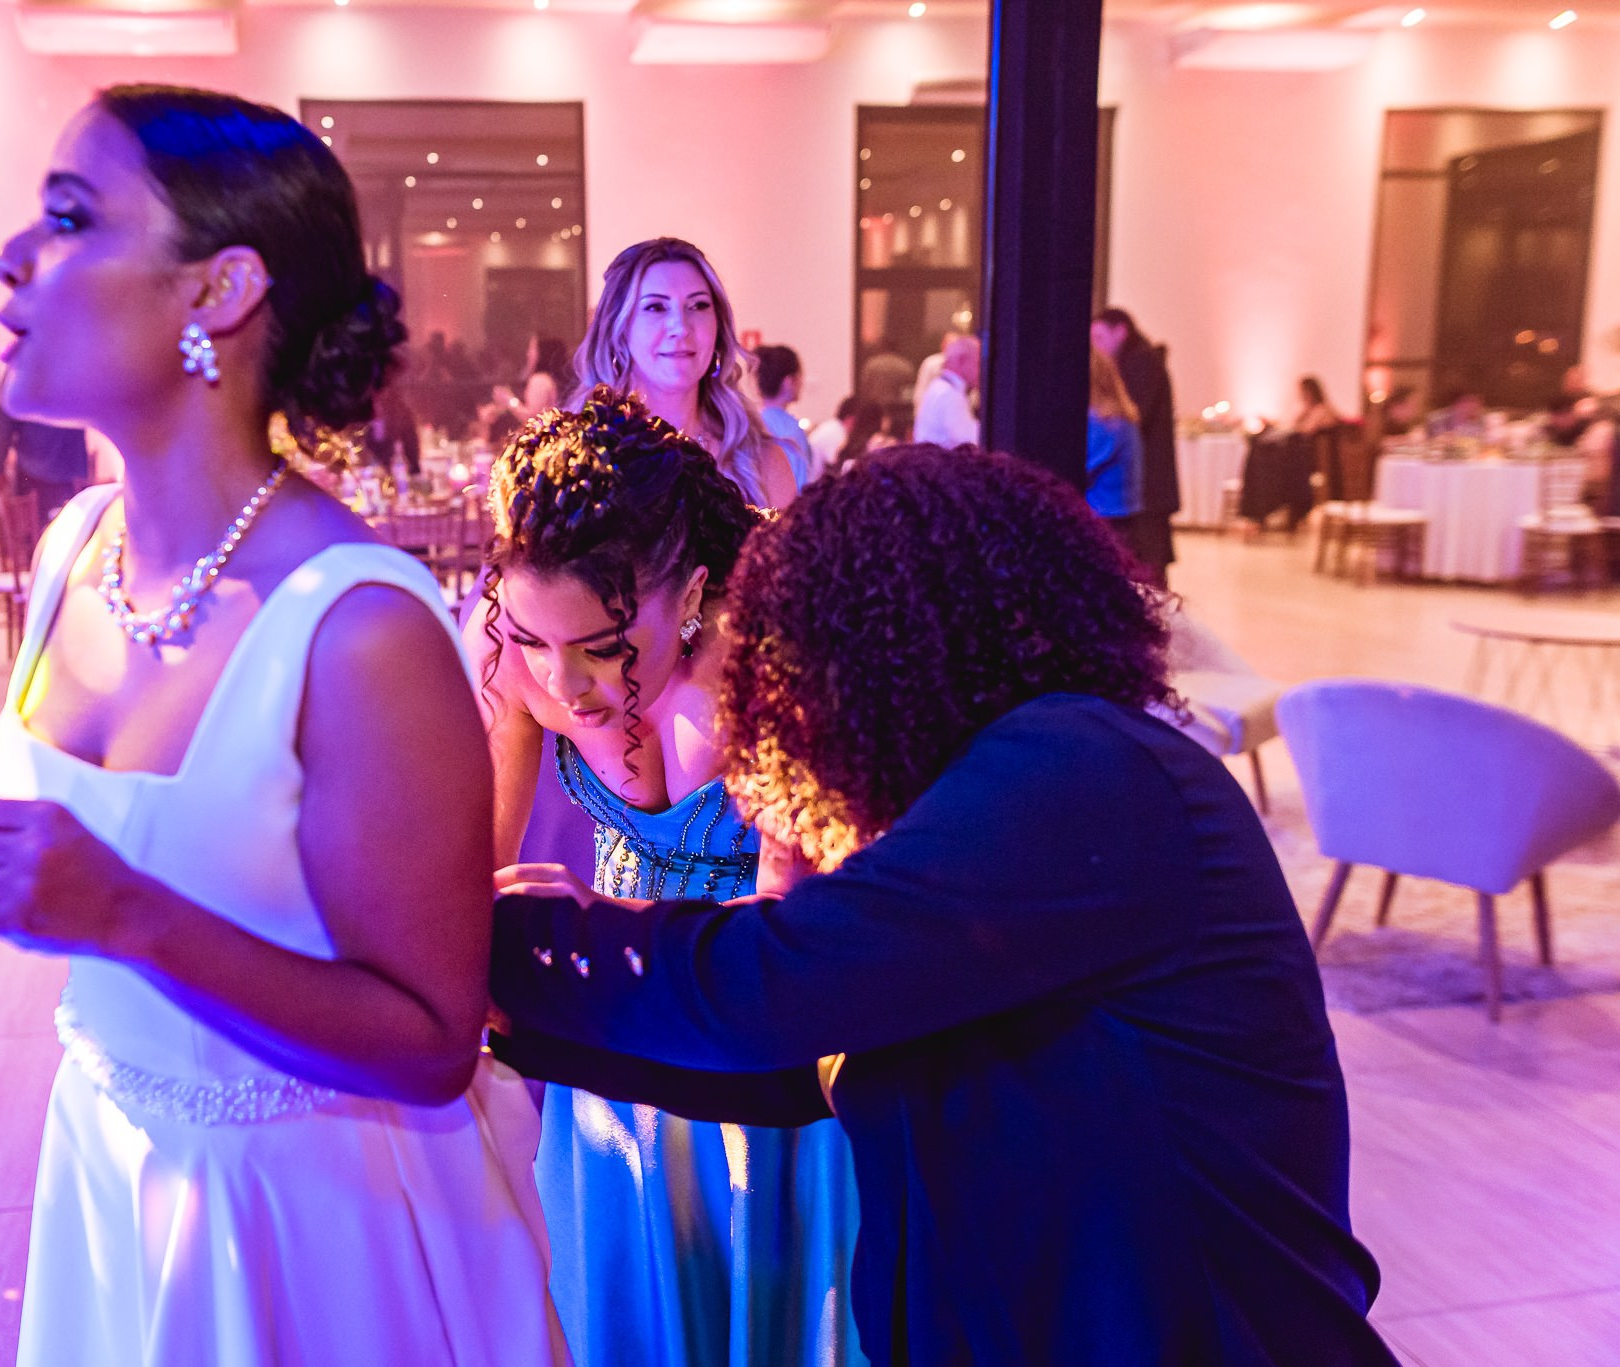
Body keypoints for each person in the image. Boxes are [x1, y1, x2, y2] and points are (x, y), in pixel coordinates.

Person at [0, 85, 562, 1367]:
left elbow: (433, 1042)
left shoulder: (357, 626)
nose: (9, 254)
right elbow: (54, 861)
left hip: (305, 1223)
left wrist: (128, 915)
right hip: (110, 1162)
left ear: (217, 292)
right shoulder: (75, 548)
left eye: (70, 214)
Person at [489, 445, 1399, 1367]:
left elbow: (775, 985)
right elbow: (803, 1064)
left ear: (884, 649)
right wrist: (503, 1017)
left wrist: (493, 942)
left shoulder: (1083, 771)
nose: (776, 710)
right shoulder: (990, 794)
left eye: (789, 667)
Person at [467, 388, 865, 1367]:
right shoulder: (518, 665)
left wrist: (596, 943)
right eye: (530, 640)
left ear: (688, 595)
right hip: (608, 1026)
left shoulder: (769, 659)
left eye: (603, 648)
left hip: (753, 1019)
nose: (562, 684)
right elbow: (467, 861)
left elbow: (790, 928)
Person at [572, 238, 800, 510]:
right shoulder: (581, 462)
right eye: (655, 307)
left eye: (698, 306)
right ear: (619, 329)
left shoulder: (763, 464)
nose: (680, 327)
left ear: (718, 328)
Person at [1092, 306, 1182, 581]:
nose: (1095, 345)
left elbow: (1135, 412)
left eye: (1098, 336)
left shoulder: (1143, 363)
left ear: (1121, 331)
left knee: (1149, 567)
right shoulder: (1142, 360)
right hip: (1141, 485)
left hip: (1147, 485)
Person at [1085, 346, 1145, 557]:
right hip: (1124, 514)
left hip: (1105, 516)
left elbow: (1081, 468)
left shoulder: (1103, 421)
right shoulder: (1122, 418)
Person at [0, 411, 90, 526]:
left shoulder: (24, 393)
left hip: (35, 473)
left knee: (34, 532)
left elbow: (5, 429)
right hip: (71, 472)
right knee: (73, 529)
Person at [754, 343, 816, 487]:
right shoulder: (791, 431)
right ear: (789, 381)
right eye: (800, 377)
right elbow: (799, 484)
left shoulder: (750, 423)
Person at [910, 333, 979, 449]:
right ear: (961, 361)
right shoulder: (949, 395)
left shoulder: (940, 387)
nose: (980, 370)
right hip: (939, 464)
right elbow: (971, 438)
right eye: (977, 363)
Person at [522, 335, 572, 414]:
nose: (528, 354)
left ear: (542, 352)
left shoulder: (540, 380)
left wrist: (509, 401)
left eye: (532, 349)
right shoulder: (553, 379)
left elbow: (534, 416)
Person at [808, 394, 859, 472]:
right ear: (851, 419)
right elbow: (835, 466)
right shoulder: (836, 433)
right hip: (814, 480)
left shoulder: (832, 426)